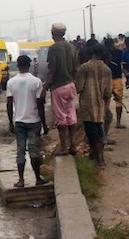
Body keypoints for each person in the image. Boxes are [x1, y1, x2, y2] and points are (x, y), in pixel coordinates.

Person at [7, 54, 49, 188]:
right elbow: (40, 104)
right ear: (29, 65)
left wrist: (10, 121)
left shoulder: (11, 82)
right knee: (34, 151)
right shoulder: (36, 82)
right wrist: (44, 124)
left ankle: (21, 180)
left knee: (20, 151)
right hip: (34, 121)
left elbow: (9, 104)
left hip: (19, 121)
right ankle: (37, 179)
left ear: (18, 66)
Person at [75, 44, 113, 168]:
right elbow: (108, 92)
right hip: (100, 107)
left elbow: (79, 88)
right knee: (99, 132)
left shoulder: (84, 68)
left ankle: (100, 160)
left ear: (90, 53)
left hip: (87, 106)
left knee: (93, 135)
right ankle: (97, 157)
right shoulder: (107, 69)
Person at [45, 22, 78, 155]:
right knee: (71, 115)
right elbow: (76, 68)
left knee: (61, 118)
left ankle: (64, 147)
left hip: (58, 87)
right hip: (70, 85)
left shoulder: (53, 48)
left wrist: (45, 87)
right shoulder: (72, 47)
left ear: (53, 33)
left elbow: (52, 70)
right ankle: (73, 145)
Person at [104, 38, 126, 129]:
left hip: (109, 79)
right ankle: (117, 122)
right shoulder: (118, 52)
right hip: (114, 78)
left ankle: (113, 122)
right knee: (117, 100)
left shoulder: (104, 53)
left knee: (109, 101)